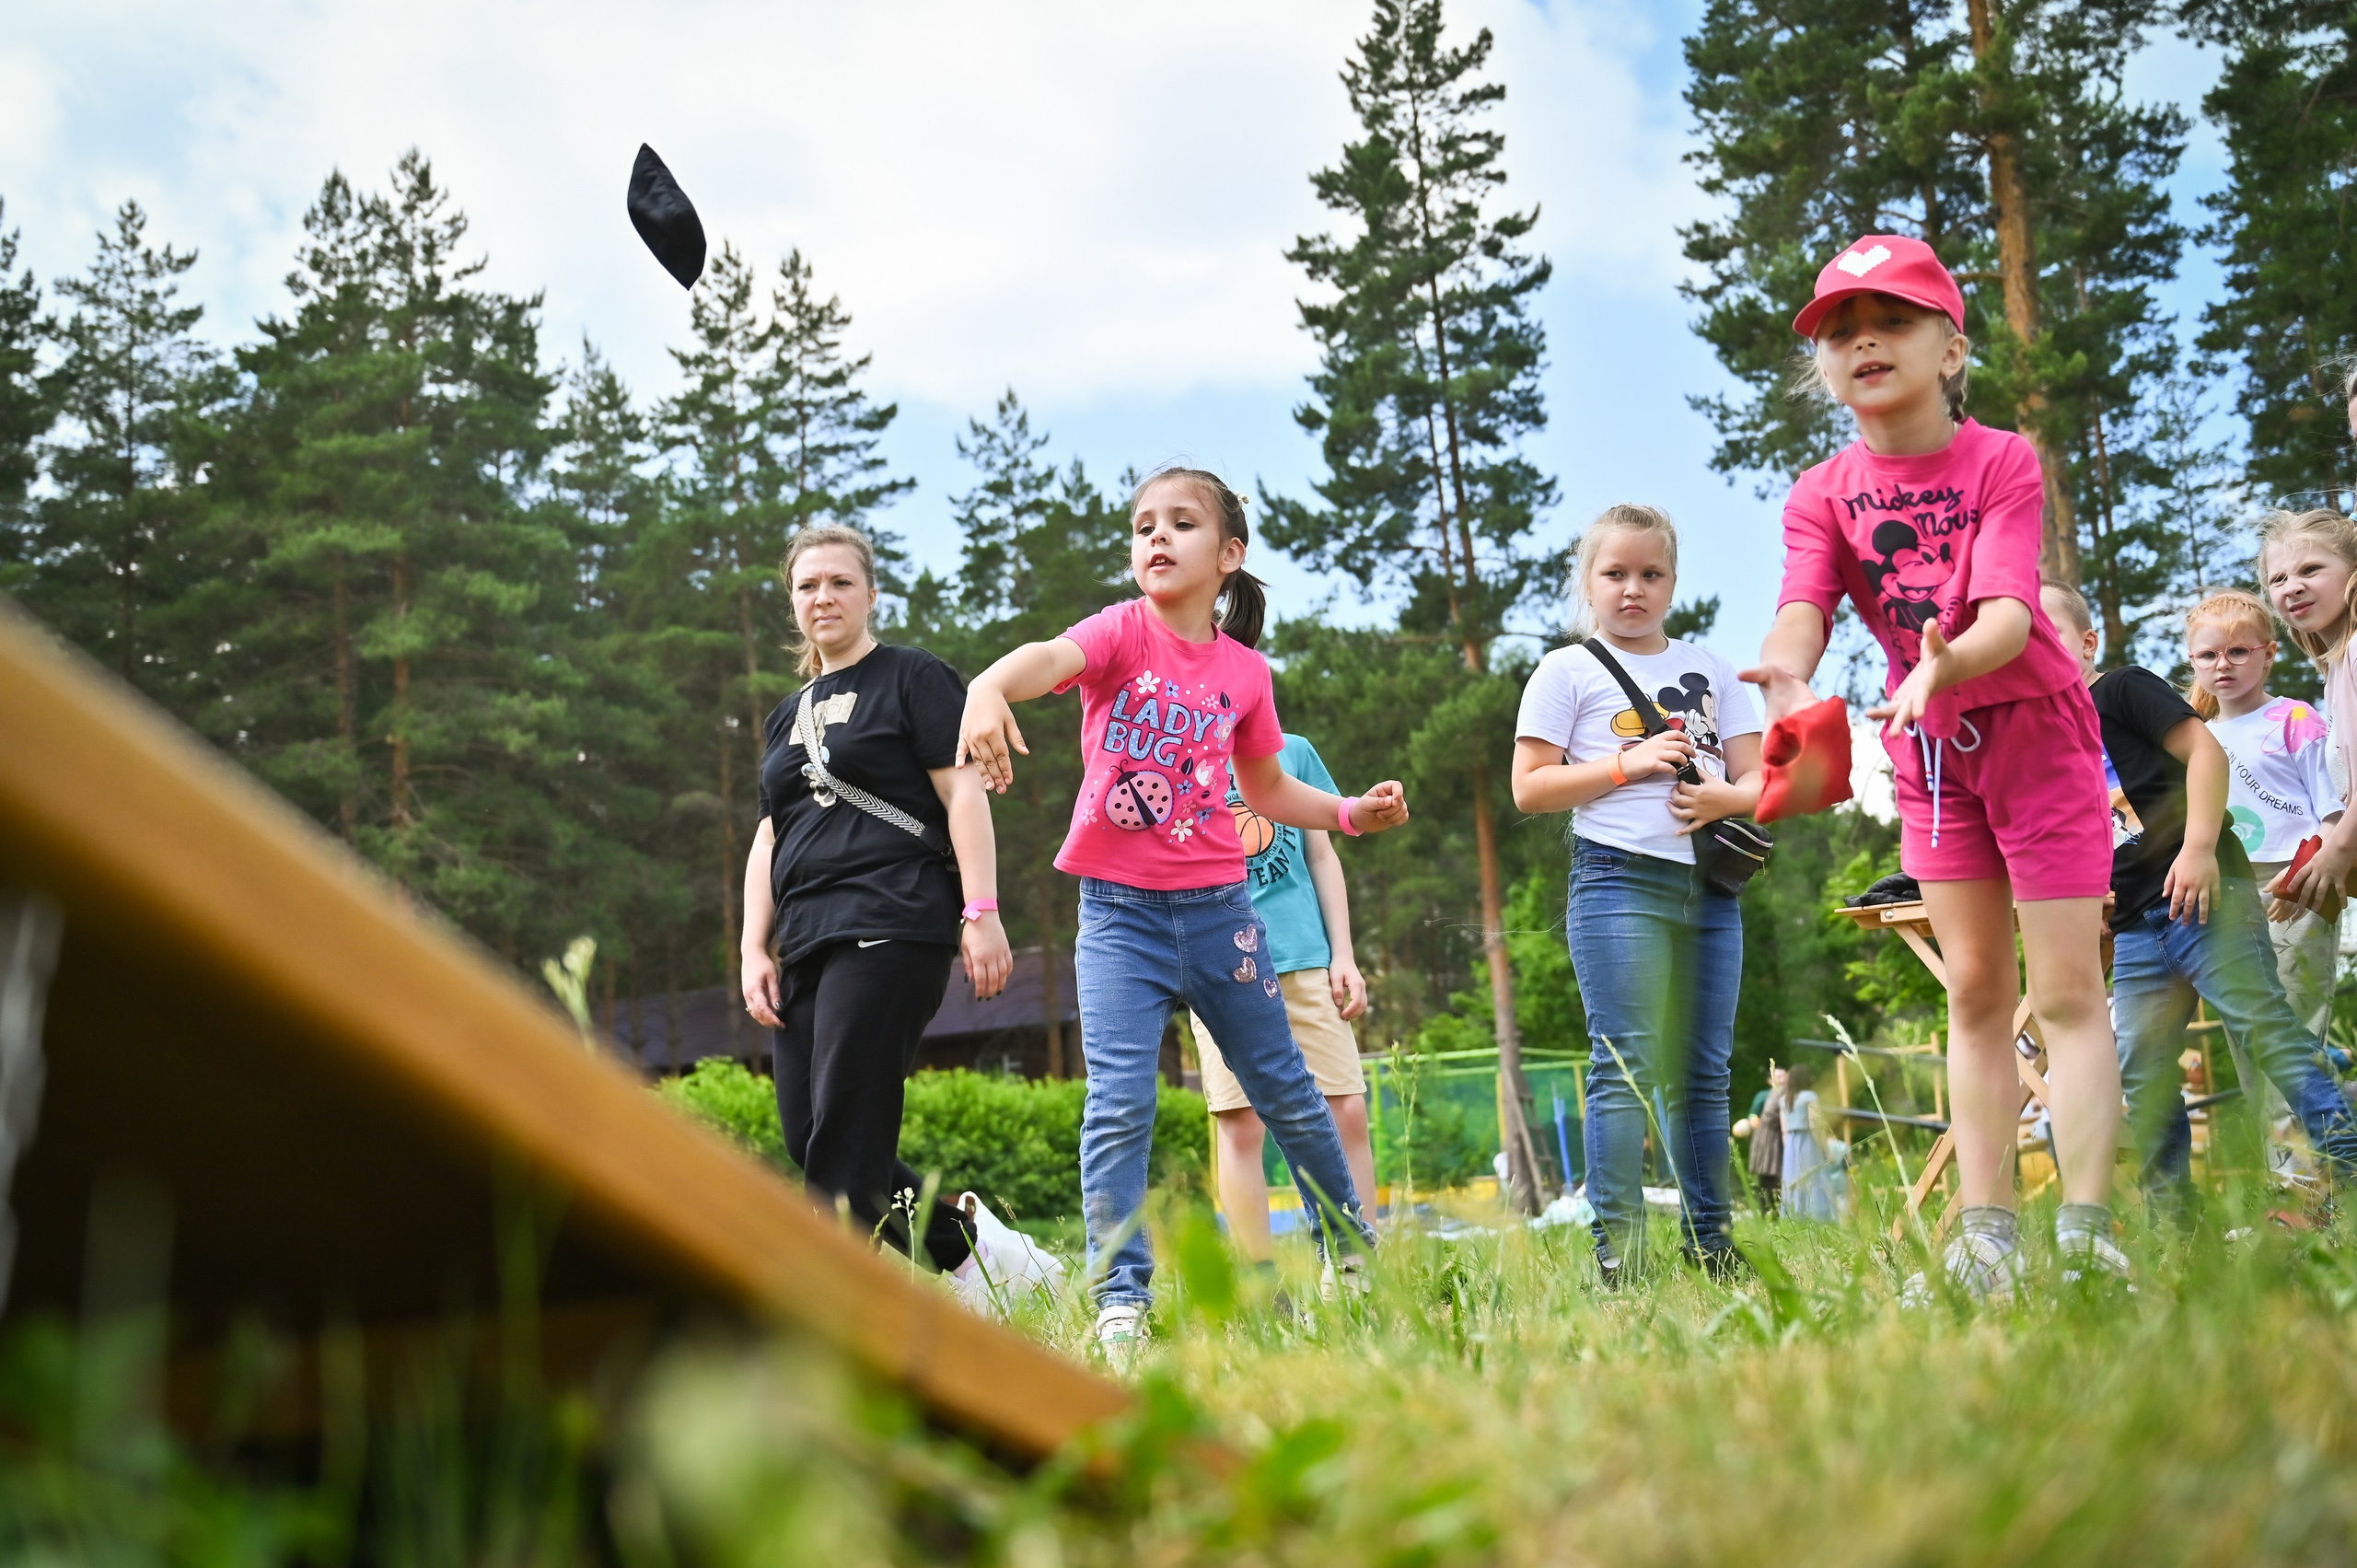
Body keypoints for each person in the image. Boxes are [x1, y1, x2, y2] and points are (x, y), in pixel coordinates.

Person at [956, 467, 1410, 1357]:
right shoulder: (1119, 633)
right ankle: (1119, 1299)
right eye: (1142, 527)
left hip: (1219, 913)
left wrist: (1350, 812)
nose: (1155, 538)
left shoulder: (1245, 672)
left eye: (1181, 524)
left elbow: (1270, 786)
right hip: (1119, 918)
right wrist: (984, 689)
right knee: (1119, 1101)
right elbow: (1045, 660)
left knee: (1288, 1089)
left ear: (1228, 555)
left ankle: (1353, 1261)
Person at [1746, 235, 2122, 1299]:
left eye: (1893, 319)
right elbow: (1803, 606)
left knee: (2063, 992)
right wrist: (1781, 674)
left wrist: (1942, 660)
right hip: (1934, 752)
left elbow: (2009, 611)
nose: (1862, 338)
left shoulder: (2002, 459)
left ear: (1951, 348)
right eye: (1836, 328)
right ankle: (1986, 1235)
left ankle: (2091, 1233)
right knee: (1971, 989)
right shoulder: (1818, 491)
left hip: (2038, 734)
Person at [738, 525, 1047, 1317]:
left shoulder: (911, 678)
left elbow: (963, 793)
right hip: (803, 941)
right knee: (817, 1141)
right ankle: (991, 1261)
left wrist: (982, 911)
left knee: (842, 1145)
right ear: (794, 604)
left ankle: (833, 1318)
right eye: (808, 587)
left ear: (870, 593)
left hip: (891, 919)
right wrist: (752, 947)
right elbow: (770, 835)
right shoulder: (783, 718)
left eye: (840, 582)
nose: (823, 598)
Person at [2045, 578, 2357, 1214]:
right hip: (2135, 923)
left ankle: (2346, 1167)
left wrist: (2195, 850)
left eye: (2047, 635)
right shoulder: (2049, 732)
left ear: (2085, 642)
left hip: (2207, 893)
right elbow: (2084, 829)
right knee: (2143, 1067)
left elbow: (2206, 754)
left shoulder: (2123, 687)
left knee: (2270, 1032)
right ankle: (2175, 1223)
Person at [1510, 503, 1763, 1281]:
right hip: (1618, 881)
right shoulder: (1566, 670)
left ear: (1673, 581)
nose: (1632, 589)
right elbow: (1529, 788)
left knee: (1703, 1073)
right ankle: (1620, 1252)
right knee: (1622, 1065)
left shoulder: (1714, 668)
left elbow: (1759, 779)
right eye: (1615, 573)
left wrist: (1726, 798)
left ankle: (1711, 1244)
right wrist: (1629, 763)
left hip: (1711, 894)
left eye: (1650, 574)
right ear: (1588, 581)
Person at [1185, 732, 1377, 1290]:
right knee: (1241, 1124)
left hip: (1307, 959)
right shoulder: (1174, 748)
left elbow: (1321, 854)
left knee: (1346, 1111)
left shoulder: (1291, 751)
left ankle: (1357, 1265)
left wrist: (1343, 953)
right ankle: (1260, 1282)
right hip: (1219, 968)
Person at [2185, 588, 2344, 1124]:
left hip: (2295, 881)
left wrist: (2309, 876)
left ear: (2269, 652)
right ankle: (2282, 1174)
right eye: (2208, 655)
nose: (2222, 665)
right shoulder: (2197, 739)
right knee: (2247, 1027)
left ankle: (2316, 1175)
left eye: (2238, 652)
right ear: (2192, 661)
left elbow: (2333, 811)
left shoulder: (2296, 719)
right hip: (2226, 889)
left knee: (2295, 1018)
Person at [1778, 1061, 1847, 1221]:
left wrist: (1788, 1149)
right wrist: (1827, 1150)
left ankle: (1794, 1216)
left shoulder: (1784, 1099)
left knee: (1793, 1180)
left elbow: (1784, 1129)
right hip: (1808, 1142)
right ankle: (1818, 1216)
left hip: (1790, 1144)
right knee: (1814, 1177)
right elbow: (1815, 1124)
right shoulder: (1809, 1096)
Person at [1733, 1063, 1788, 1213]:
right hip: (1769, 1141)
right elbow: (1753, 1116)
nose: (1781, 1080)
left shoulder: (1789, 1093)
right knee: (1768, 1176)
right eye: (1777, 1077)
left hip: (1785, 1137)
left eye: (1783, 1076)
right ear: (1770, 1081)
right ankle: (1768, 1210)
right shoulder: (1764, 1096)